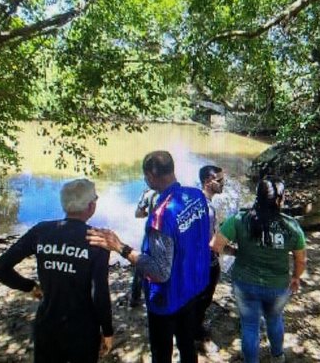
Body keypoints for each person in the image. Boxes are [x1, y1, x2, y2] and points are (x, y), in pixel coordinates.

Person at [87, 151, 210, 363]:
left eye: (145, 176)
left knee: (162, 354)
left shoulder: (162, 216)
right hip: (194, 286)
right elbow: (202, 236)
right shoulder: (196, 195)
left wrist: (121, 248)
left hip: (168, 298)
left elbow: (159, 272)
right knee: (187, 344)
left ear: (151, 176)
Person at [0, 179, 113, 363]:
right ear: (90, 206)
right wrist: (108, 331)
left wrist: (30, 286)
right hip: (82, 329)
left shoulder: (42, 231)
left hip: (47, 323)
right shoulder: (96, 239)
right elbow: (99, 293)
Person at [210, 177, 306, 363]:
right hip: (277, 286)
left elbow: (215, 245)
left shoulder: (240, 219)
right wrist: (296, 277)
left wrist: (235, 252)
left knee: (250, 325)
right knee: (274, 319)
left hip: (245, 284)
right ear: (279, 200)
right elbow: (300, 259)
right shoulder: (291, 226)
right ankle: (277, 356)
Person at [195, 165, 225, 340]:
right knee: (204, 298)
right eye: (220, 180)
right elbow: (211, 243)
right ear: (207, 181)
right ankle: (195, 330)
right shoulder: (208, 210)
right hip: (206, 262)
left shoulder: (196, 200)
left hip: (195, 260)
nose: (224, 184)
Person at [129, 188, 158, 307]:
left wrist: (148, 214)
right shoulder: (176, 190)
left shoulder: (148, 193)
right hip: (168, 235)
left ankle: (135, 298)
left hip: (151, 234)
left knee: (142, 265)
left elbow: (138, 214)